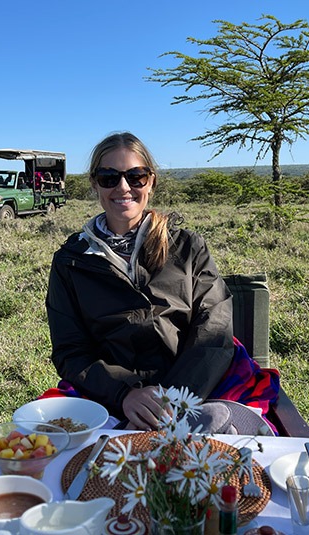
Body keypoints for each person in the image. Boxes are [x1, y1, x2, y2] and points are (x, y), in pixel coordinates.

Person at [43, 132, 279, 431]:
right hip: (114, 394)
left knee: (235, 432)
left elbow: (214, 329)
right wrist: (125, 395)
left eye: (136, 177)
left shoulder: (188, 247)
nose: (123, 187)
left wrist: (174, 399)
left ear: (151, 182)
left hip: (195, 384)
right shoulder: (70, 261)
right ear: (94, 184)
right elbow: (71, 351)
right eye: (109, 177)